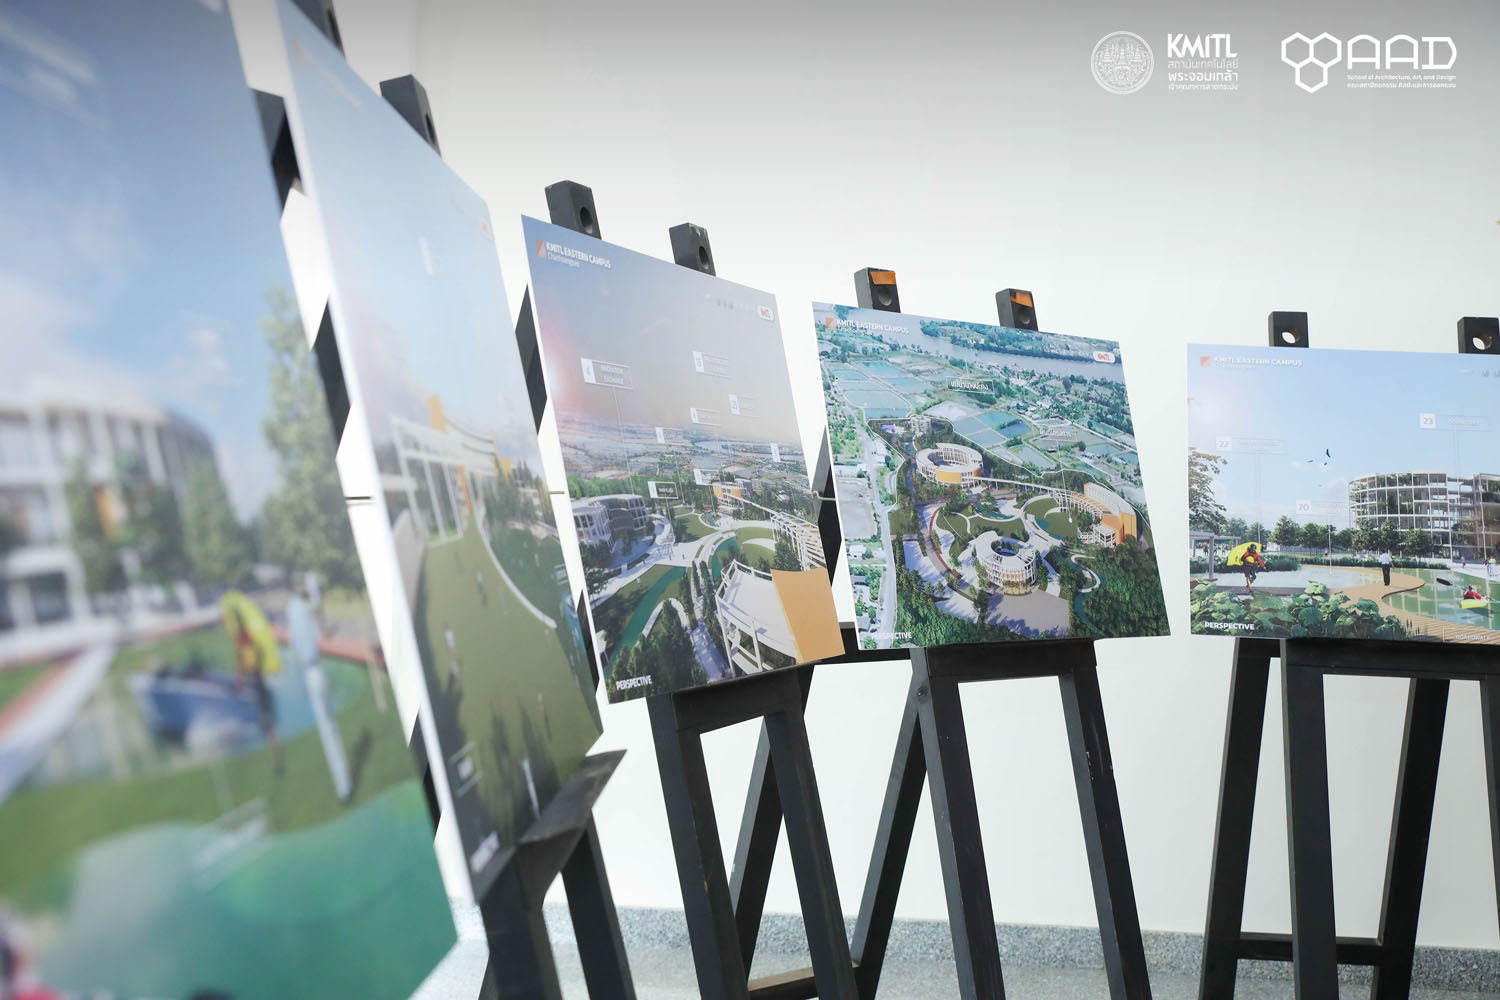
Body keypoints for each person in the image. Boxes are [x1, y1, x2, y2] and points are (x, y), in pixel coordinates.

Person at [288, 585, 351, 802]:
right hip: (315, 669)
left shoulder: (295, 609)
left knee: (328, 729)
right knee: (330, 726)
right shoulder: (300, 609)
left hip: (312, 671)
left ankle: (343, 786)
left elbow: (302, 644)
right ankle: (344, 785)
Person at [231, 606, 282, 774]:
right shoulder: (250, 638)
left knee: (265, 725)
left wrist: (239, 680)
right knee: (269, 724)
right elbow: (259, 654)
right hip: (260, 680)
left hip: (254, 683)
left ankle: (275, 757)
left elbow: (240, 663)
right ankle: (276, 753)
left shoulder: (240, 641)